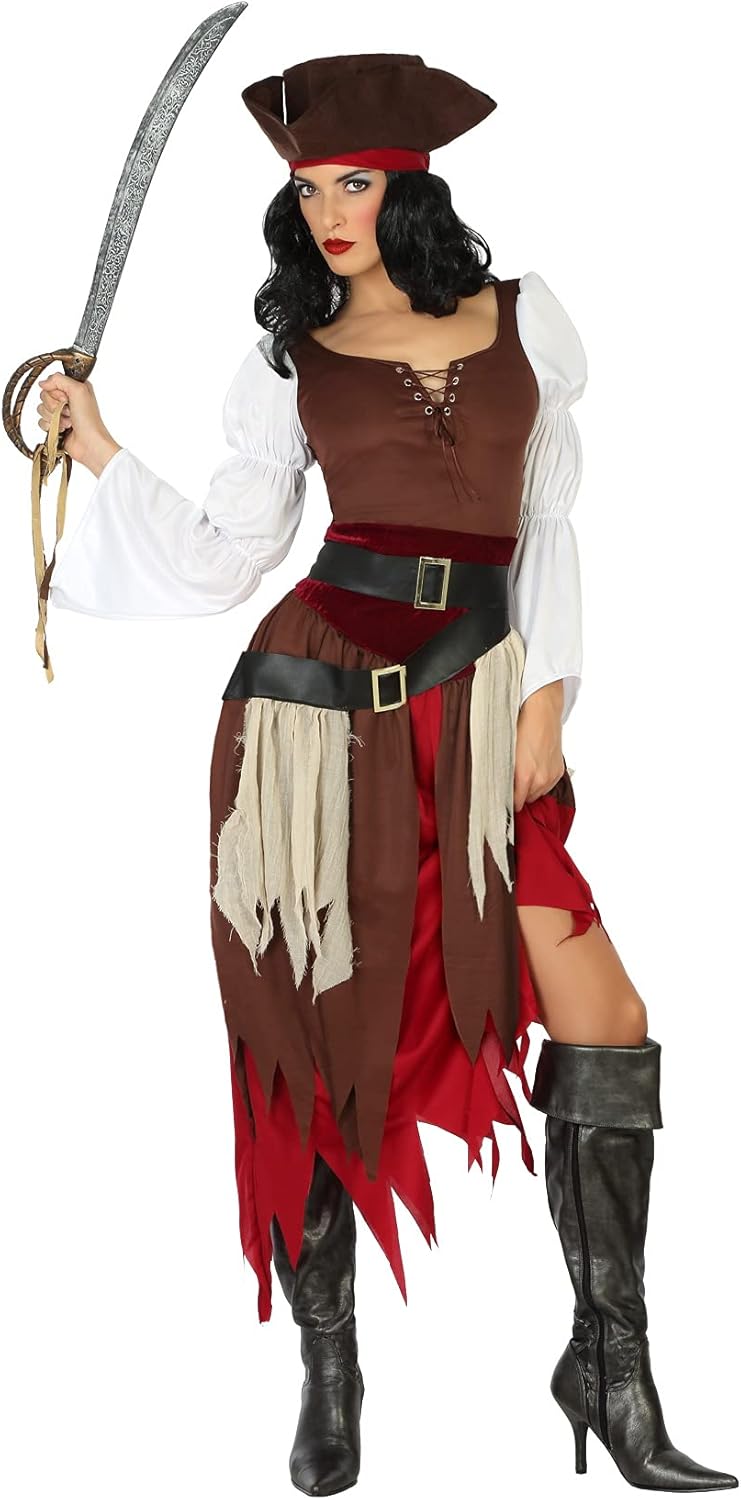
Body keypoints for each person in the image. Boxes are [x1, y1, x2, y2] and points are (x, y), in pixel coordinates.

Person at [36, 51, 737, 1500]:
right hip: (308, 718)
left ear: (408, 184)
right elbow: (228, 555)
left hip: (478, 707)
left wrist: (550, 696)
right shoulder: (286, 358)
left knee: (603, 1010)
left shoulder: (528, 321)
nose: (328, 212)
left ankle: (609, 1370)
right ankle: (329, 1364)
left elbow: (548, 527)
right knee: (317, 1030)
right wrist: (99, 451)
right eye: (307, 190)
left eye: (352, 181)